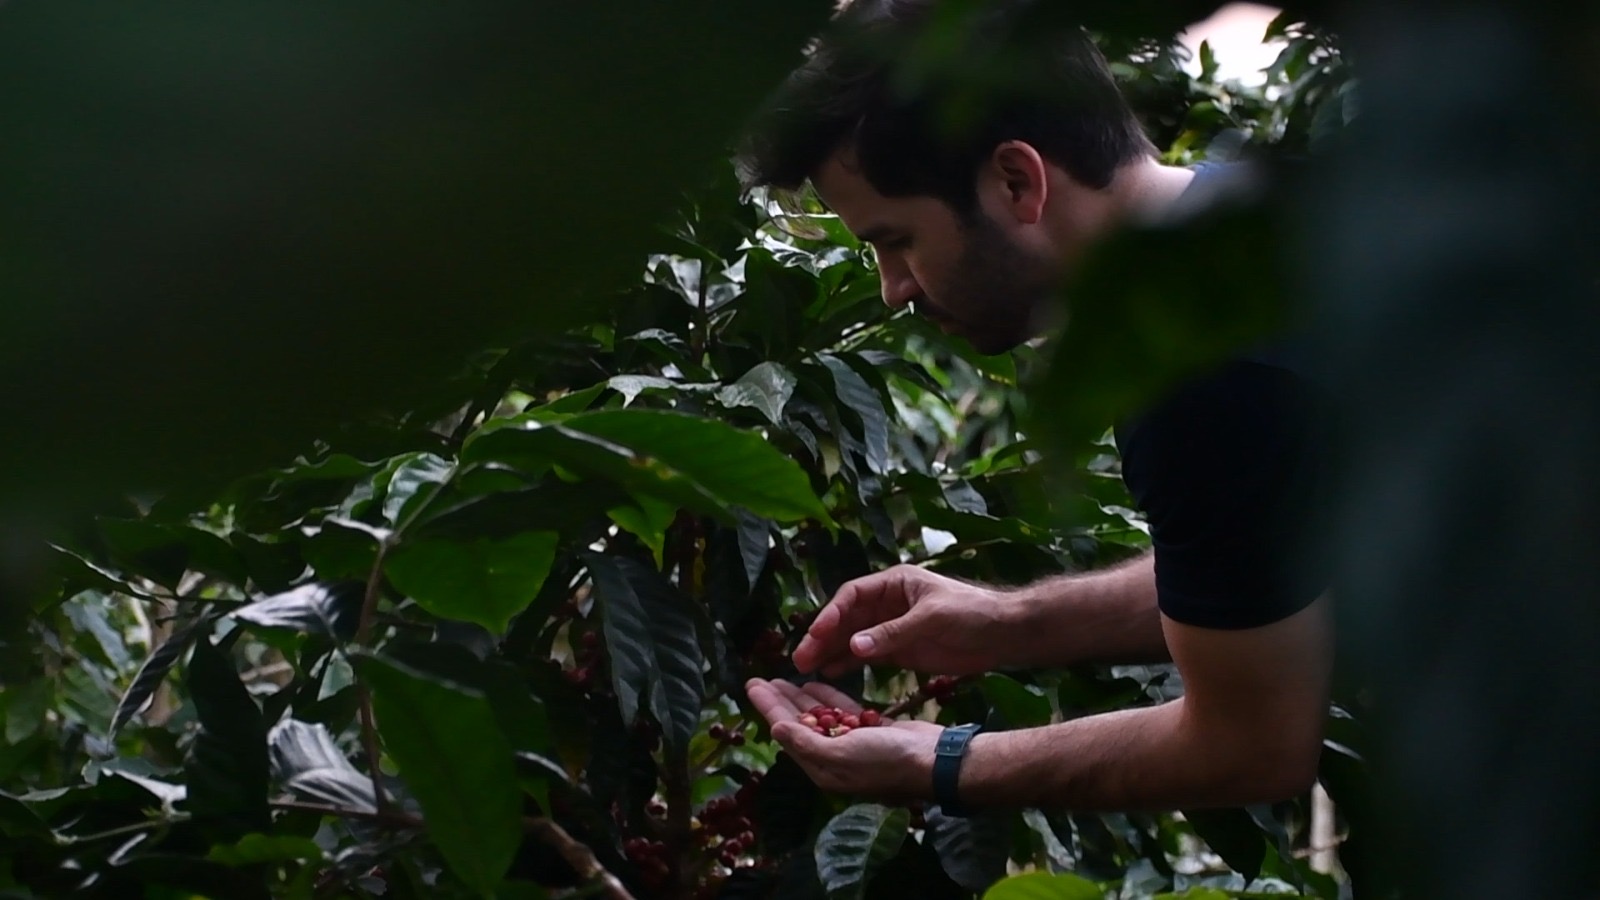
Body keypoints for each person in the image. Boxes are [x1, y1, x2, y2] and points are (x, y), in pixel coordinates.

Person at [736, 0, 1336, 815]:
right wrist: (1008, 623)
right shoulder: (1263, 211)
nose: (893, 286)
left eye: (897, 239)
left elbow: (1251, 748)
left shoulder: (1194, 372)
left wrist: (942, 763)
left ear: (1018, 180)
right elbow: (1267, 570)